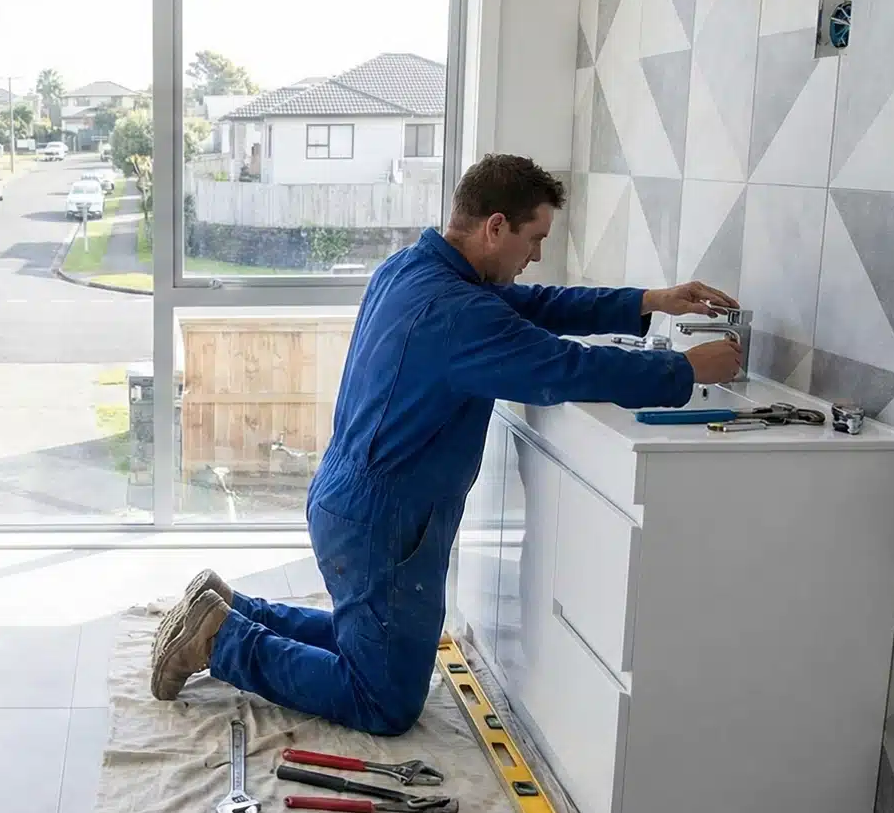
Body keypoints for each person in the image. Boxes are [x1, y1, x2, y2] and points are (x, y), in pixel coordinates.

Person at [149, 154, 742, 735]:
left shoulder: (412, 269)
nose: (535, 257)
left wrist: (648, 301)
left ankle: (231, 609)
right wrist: (683, 369)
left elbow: (534, 306)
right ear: (495, 227)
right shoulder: (458, 311)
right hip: (386, 522)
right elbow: (565, 368)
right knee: (383, 699)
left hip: (353, 499)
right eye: (533, 239)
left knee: (375, 648)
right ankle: (221, 639)